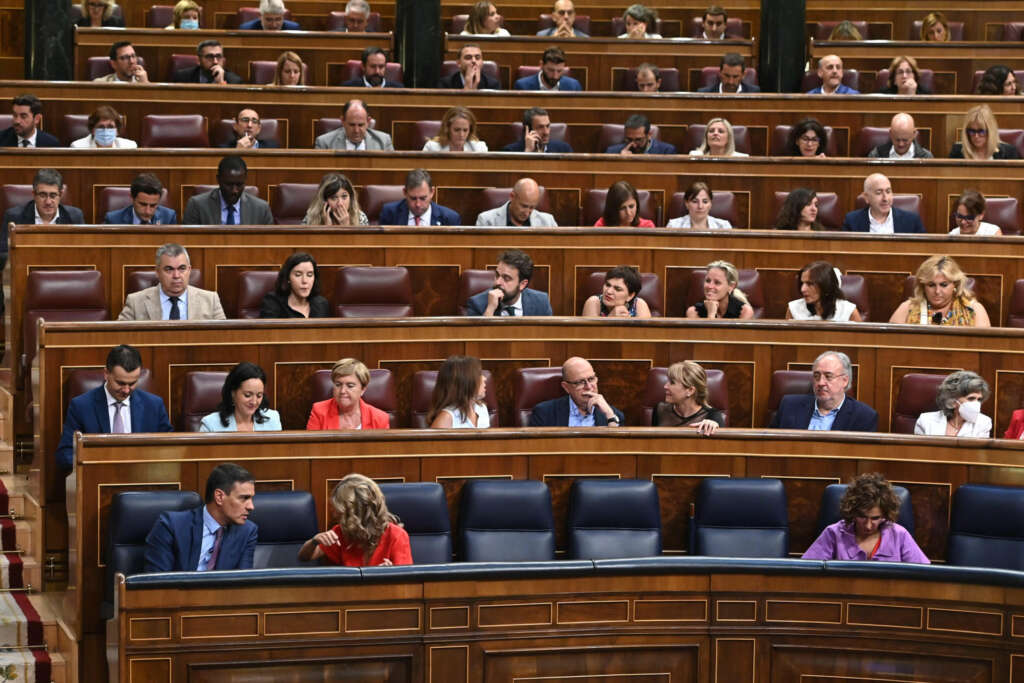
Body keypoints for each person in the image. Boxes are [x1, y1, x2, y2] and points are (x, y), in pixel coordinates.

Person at [55, 344, 173, 470]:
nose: (126, 390)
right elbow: (64, 455)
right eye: (120, 383)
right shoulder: (81, 406)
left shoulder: (154, 405)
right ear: (106, 374)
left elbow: (170, 450)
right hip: (98, 479)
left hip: (143, 479)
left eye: (132, 383)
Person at [144, 463, 257, 572]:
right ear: (219, 497)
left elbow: (243, 584)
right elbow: (157, 584)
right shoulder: (171, 526)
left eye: (251, 498)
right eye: (244, 498)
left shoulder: (247, 532)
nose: (251, 506)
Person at [802, 473, 929, 563]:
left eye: (875, 518)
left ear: (884, 514)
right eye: (862, 517)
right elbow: (807, 571)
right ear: (853, 512)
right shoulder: (834, 533)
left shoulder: (899, 535)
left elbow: (924, 574)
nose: (868, 525)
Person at [297, 474, 411, 566]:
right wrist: (314, 541)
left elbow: (408, 583)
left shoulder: (396, 535)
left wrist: (391, 576)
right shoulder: (341, 533)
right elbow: (305, 557)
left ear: (358, 512)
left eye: (341, 512)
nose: (334, 514)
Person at [771, 351, 878, 431]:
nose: (821, 383)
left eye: (828, 376)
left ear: (844, 381)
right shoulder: (789, 406)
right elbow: (770, 446)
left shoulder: (864, 416)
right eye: (816, 376)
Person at [119, 243, 227, 320]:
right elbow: (119, 339)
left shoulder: (211, 300)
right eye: (169, 269)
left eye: (182, 268)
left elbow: (223, 339)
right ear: (157, 272)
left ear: (189, 270)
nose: (176, 276)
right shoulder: (135, 302)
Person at [0, 169, 84, 267]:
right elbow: (2, 255)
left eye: (53, 195)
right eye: (42, 195)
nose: (48, 202)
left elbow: (82, 254)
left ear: (60, 195)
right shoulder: (14, 217)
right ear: (34, 195)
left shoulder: (75, 217)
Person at [889, 255, 991, 327]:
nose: (937, 291)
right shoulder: (907, 308)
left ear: (955, 284)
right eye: (931, 285)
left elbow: (984, 351)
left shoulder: (974, 310)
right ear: (923, 286)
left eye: (944, 285)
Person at [528, 356, 625, 427]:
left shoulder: (614, 415)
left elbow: (617, 450)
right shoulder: (544, 413)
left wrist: (610, 416)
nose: (588, 387)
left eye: (591, 379)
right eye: (580, 382)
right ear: (566, 387)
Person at [183, 156, 274, 224]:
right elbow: (189, 242)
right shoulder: (197, 205)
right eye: (229, 184)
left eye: (239, 185)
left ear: (245, 180)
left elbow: (269, 245)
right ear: (218, 180)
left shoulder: (261, 209)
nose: (234, 190)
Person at [464, 248, 554, 315]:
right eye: (497, 275)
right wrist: (490, 309)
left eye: (506, 278)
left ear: (522, 284)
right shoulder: (478, 304)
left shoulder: (541, 302)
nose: (498, 282)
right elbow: (477, 339)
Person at [307, 358, 390, 430]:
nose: (342, 391)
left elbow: (383, 448)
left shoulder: (380, 418)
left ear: (362, 390)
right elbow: (312, 447)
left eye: (350, 386)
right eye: (338, 385)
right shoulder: (319, 411)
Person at [199, 362, 282, 431]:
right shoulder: (210, 424)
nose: (254, 401)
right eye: (247, 395)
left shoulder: (273, 419)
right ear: (233, 393)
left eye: (259, 395)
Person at [652, 360, 723, 434]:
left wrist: (715, 427)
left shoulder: (713, 416)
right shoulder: (660, 410)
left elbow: (721, 444)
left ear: (690, 390)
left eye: (672, 382)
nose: (665, 386)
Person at [914, 371, 992, 437]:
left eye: (979, 399)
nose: (976, 404)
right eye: (971, 398)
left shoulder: (983, 423)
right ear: (952, 401)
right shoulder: (926, 421)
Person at [842, 173, 926, 234]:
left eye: (888, 191)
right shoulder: (852, 221)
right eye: (879, 192)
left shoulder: (911, 221)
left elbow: (924, 250)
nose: (885, 198)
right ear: (866, 197)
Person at [260, 251, 331, 318]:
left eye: (309, 275)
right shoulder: (272, 302)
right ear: (288, 278)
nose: (304, 281)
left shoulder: (322, 304)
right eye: (298, 275)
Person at [379, 169, 461, 226]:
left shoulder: (450, 219)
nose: (418, 204)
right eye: (413, 198)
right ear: (404, 192)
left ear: (432, 192)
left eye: (423, 198)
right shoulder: (389, 213)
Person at [428, 355, 490, 428]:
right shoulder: (446, 418)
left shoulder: (482, 408)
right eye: (479, 375)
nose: (484, 378)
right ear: (465, 382)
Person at [787, 261, 862, 322]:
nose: (802, 289)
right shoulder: (794, 309)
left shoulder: (848, 311)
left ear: (826, 285)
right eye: (802, 283)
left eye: (810, 284)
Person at [314, 99, 394, 151]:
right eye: (352, 125)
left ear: (368, 122)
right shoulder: (324, 143)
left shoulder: (384, 141)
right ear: (343, 121)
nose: (356, 130)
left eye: (361, 125)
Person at [685, 260, 753, 319]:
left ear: (731, 286)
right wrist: (711, 314)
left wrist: (711, 316)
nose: (710, 286)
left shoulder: (745, 312)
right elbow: (705, 334)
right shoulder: (693, 312)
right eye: (708, 281)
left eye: (717, 282)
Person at [475, 179, 557, 227]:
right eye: (524, 206)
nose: (527, 213)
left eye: (532, 207)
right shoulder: (486, 221)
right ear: (512, 196)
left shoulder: (548, 222)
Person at [951, 104, 1022, 160]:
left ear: (990, 131)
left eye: (981, 131)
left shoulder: (1008, 152)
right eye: (972, 131)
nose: (976, 136)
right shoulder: (957, 151)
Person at [103, 173, 177, 224]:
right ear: (132, 198)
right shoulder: (113, 220)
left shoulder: (168, 217)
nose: (148, 212)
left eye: (153, 205)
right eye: (143, 204)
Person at [581, 265, 652, 318]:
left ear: (630, 295)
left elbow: (646, 335)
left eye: (617, 289)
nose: (608, 291)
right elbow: (591, 335)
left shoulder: (639, 304)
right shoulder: (593, 302)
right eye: (608, 285)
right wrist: (610, 319)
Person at [302, 172, 368, 226]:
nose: (340, 203)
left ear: (351, 198)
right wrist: (326, 230)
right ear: (324, 200)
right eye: (333, 198)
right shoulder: (311, 216)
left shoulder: (360, 217)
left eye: (344, 196)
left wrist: (346, 227)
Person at [502, 107, 573, 153]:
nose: (546, 132)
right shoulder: (510, 151)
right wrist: (527, 151)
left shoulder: (564, 149)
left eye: (548, 126)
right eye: (540, 127)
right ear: (528, 130)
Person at [667, 181, 733, 229]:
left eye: (705, 201)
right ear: (687, 204)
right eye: (695, 201)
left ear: (710, 204)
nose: (700, 206)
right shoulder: (673, 226)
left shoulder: (723, 227)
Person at [172, 40, 243, 84]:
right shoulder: (182, 78)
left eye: (218, 56)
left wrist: (221, 83)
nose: (215, 61)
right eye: (210, 57)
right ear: (198, 60)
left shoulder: (234, 81)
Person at [867, 113, 933, 159]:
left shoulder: (926, 157)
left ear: (914, 134)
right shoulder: (876, 155)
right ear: (891, 134)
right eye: (897, 140)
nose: (901, 144)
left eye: (905, 140)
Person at [422, 106, 489, 152]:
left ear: (470, 130)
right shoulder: (432, 148)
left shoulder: (479, 148)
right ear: (447, 128)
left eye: (465, 130)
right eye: (457, 130)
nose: (461, 135)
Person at [513, 47, 582, 91]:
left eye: (559, 71)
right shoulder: (523, 86)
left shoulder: (574, 86)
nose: (555, 76)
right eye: (551, 70)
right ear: (541, 65)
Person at [605, 114, 676, 154]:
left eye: (638, 140)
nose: (634, 145)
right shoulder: (612, 152)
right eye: (629, 139)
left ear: (649, 135)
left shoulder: (666, 151)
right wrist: (621, 161)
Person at [70, 105, 136, 148]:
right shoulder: (78, 147)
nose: (106, 130)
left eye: (110, 127)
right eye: (101, 127)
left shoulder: (129, 147)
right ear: (93, 130)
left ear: (117, 131)